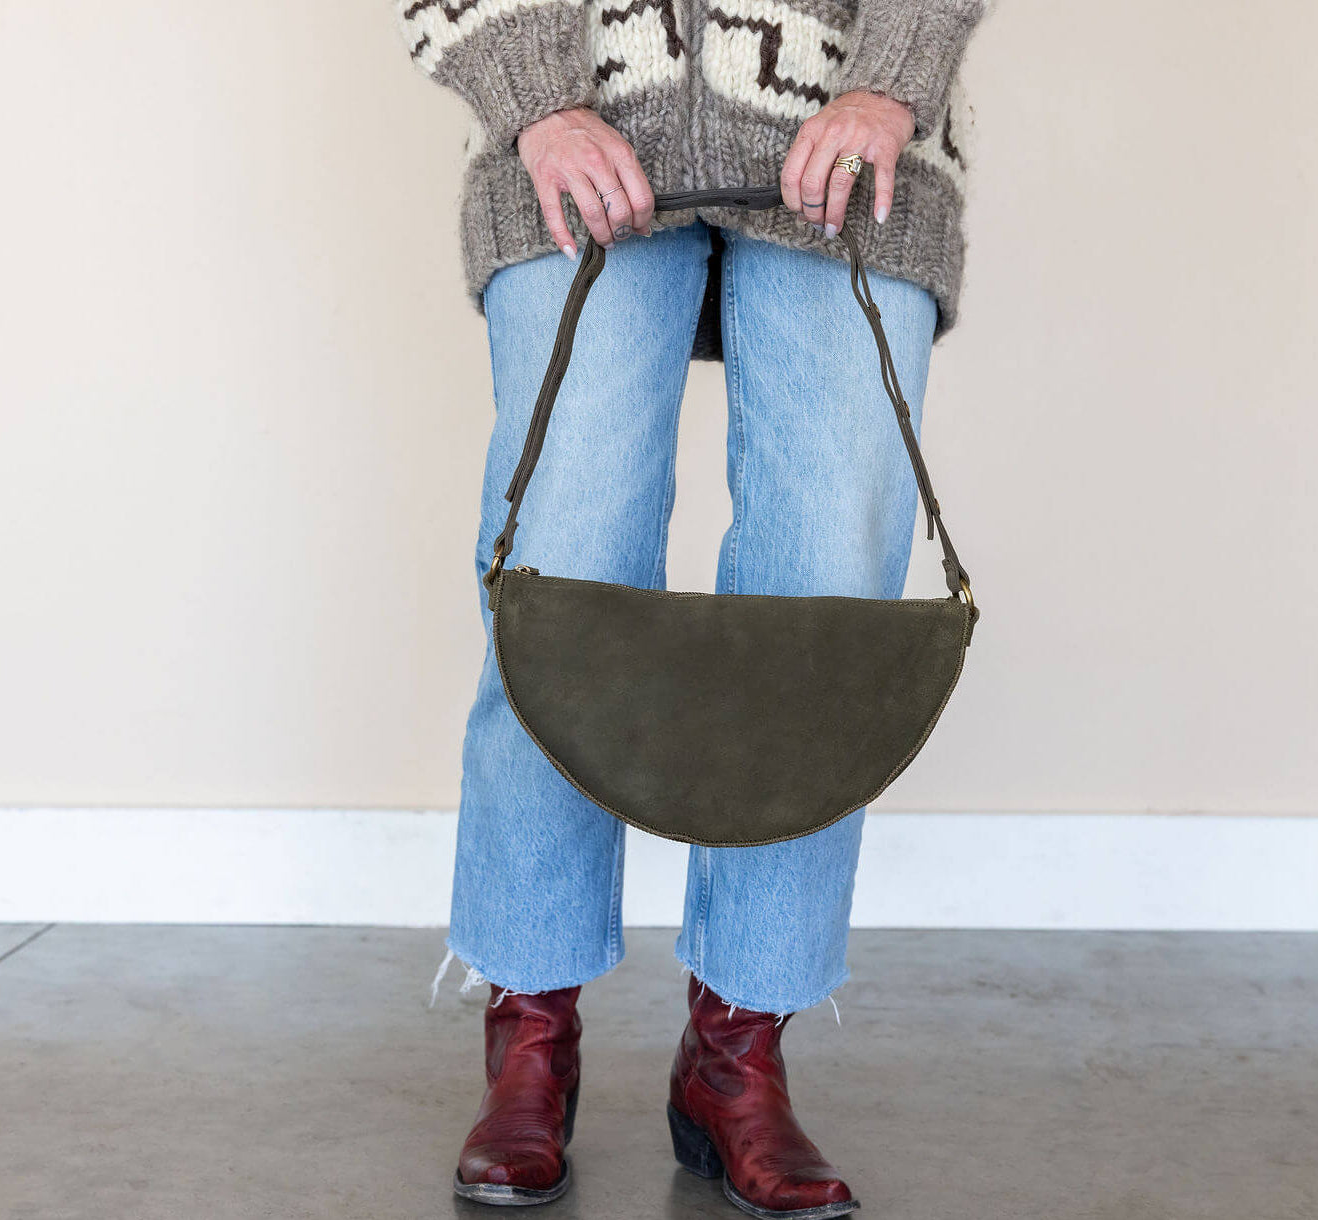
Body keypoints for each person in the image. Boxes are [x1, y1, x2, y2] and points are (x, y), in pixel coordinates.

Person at [395, 0, 989, 1212]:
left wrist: (895, 82)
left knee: (824, 607)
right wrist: (530, 100)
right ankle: (529, 1037)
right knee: (557, 574)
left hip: (851, 141)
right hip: (576, 139)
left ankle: (739, 1056)